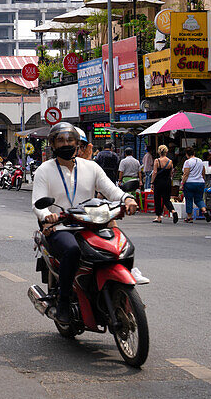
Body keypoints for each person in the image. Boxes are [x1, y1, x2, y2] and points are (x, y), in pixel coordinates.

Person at [33, 122, 138, 325]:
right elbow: (37, 202)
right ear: (53, 145)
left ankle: (121, 291)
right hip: (61, 227)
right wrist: (48, 215)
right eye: (61, 140)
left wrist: (127, 198)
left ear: (78, 144)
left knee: (122, 245)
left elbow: (111, 189)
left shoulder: (91, 167)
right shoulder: (44, 170)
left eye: (70, 140)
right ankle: (63, 302)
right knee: (72, 250)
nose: (66, 144)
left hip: (91, 224)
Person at [151, 144, 178, 223]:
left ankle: (158, 217)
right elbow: (171, 173)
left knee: (157, 199)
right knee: (166, 199)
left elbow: (155, 172)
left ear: (159, 152)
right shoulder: (170, 161)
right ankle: (173, 211)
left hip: (158, 182)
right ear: (166, 151)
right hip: (167, 182)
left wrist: (152, 182)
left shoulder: (157, 161)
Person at [181, 147, 209, 222]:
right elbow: (203, 172)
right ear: (194, 153)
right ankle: (204, 211)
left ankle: (189, 218)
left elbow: (186, 174)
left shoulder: (187, 162)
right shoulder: (200, 161)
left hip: (190, 183)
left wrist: (182, 183)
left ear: (187, 154)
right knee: (199, 199)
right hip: (200, 182)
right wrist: (202, 179)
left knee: (189, 199)